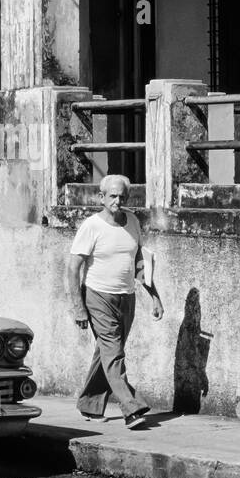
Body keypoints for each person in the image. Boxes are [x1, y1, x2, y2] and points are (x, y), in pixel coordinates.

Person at [65, 173, 164, 429]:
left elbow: (141, 262)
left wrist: (155, 297)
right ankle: (131, 408)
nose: (117, 201)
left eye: (122, 196)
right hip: (98, 296)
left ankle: (89, 403)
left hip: (126, 297)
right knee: (114, 353)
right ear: (101, 197)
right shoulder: (91, 227)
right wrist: (79, 308)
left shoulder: (132, 221)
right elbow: (73, 268)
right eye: (112, 195)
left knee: (107, 354)